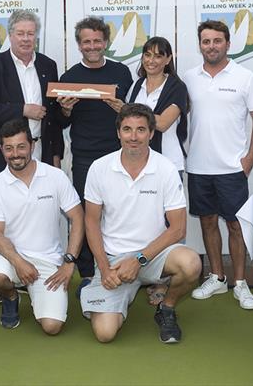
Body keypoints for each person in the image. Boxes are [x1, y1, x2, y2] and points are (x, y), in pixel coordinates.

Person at [80, 103, 201, 344]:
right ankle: (98, 286)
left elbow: (178, 228)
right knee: (105, 334)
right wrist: (104, 268)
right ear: (118, 133)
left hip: (153, 256)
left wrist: (139, 260)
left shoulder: (165, 168)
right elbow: (91, 222)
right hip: (114, 260)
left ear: (151, 133)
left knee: (191, 264)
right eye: (127, 129)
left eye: (140, 130)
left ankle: (166, 307)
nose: (133, 137)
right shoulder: (99, 168)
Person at [0, 9, 64, 304]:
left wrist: (55, 153)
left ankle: (32, 273)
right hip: (0, 155)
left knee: (40, 218)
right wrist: (22, 109)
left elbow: (53, 118)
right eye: (20, 33)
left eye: (30, 33)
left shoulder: (48, 65)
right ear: (10, 35)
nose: (26, 39)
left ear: (36, 35)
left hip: (39, 152)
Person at [184, 20, 253, 311]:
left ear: (228, 44)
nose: (212, 46)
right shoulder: (189, 78)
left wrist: (248, 161)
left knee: (235, 225)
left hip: (232, 168)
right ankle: (217, 277)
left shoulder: (245, 77)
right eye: (206, 41)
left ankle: (240, 283)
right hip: (198, 167)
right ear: (200, 45)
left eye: (217, 41)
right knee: (207, 222)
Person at [0, 119, 83, 333]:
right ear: (1, 150)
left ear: (32, 145)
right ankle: (11, 297)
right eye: (9, 148)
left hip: (47, 260)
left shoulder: (55, 176)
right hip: (11, 257)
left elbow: (78, 218)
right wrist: (19, 262)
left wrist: (68, 263)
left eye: (21, 146)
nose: (15, 154)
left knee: (52, 327)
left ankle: (35, 292)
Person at [56, 16, 133, 291]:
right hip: (85, 157)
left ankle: (119, 266)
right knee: (88, 214)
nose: (92, 46)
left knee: (118, 212)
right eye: (86, 41)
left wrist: (122, 108)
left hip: (119, 156)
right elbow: (62, 123)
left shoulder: (122, 72)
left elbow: (133, 115)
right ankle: (88, 272)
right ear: (79, 45)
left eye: (97, 41)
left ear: (106, 43)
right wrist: (65, 109)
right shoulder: (69, 77)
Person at [128, 37, 188, 172]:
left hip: (169, 163)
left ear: (168, 59)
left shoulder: (177, 88)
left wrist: (128, 110)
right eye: (147, 55)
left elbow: (162, 124)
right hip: (139, 164)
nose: (151, 61)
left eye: (158, 56)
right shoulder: (137, 85)